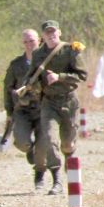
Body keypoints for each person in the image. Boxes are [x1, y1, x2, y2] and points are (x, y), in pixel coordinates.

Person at [24, 20, 88, 195]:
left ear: (59, 32)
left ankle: (69, 154)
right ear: (43, 36)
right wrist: (26, 87)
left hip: (69, 101)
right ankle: (57, 179)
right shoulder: (38, 54)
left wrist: (60, 77)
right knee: (49, 138)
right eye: (47, 32)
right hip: (49, 102)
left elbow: (82, 76)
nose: (51, 35)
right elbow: (32, 76)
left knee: (67, 142)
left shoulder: (70, 50)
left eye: (53, 32)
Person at [3, 28, 56, 189]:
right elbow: (7, 88)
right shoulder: (16, 65)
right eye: (25, 42)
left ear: (39, 40)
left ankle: (39, 176)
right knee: (21, 142)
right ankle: (29, 150)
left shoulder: (49, 61)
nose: (28, 45)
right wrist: (9, 111)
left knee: (44, 144)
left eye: (31, 41)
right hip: (23, 111)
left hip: (44, 110)